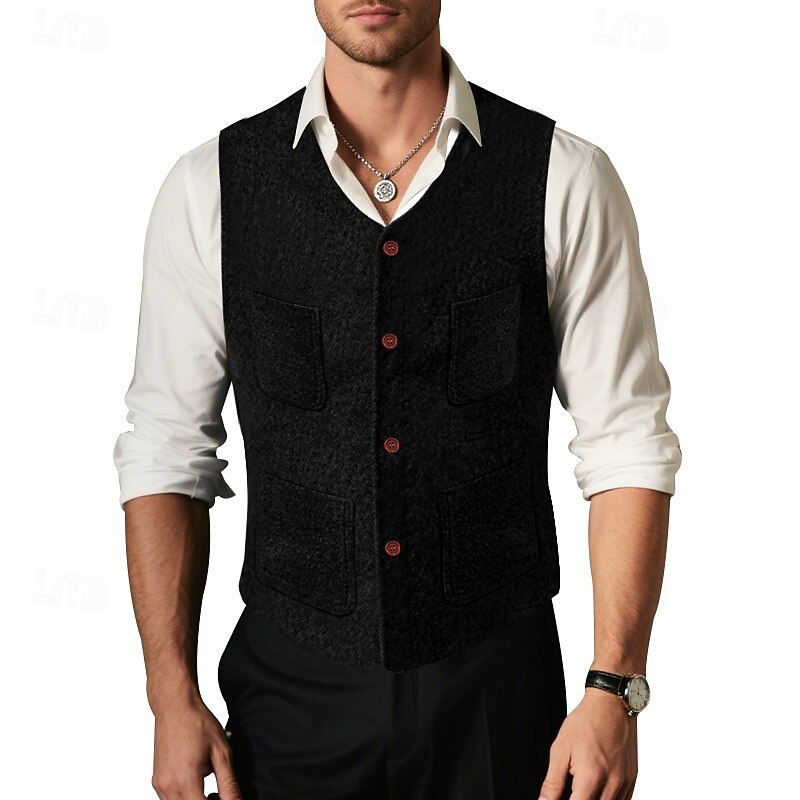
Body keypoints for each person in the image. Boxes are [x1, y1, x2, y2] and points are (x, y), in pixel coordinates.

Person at [113, 2, 682, 799]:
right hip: (288, 706)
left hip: (499, 699)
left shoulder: (564, 177)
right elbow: (166, 448)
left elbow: (627, 441)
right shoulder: (209, 188)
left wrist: (614, 687)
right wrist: (169, 695)